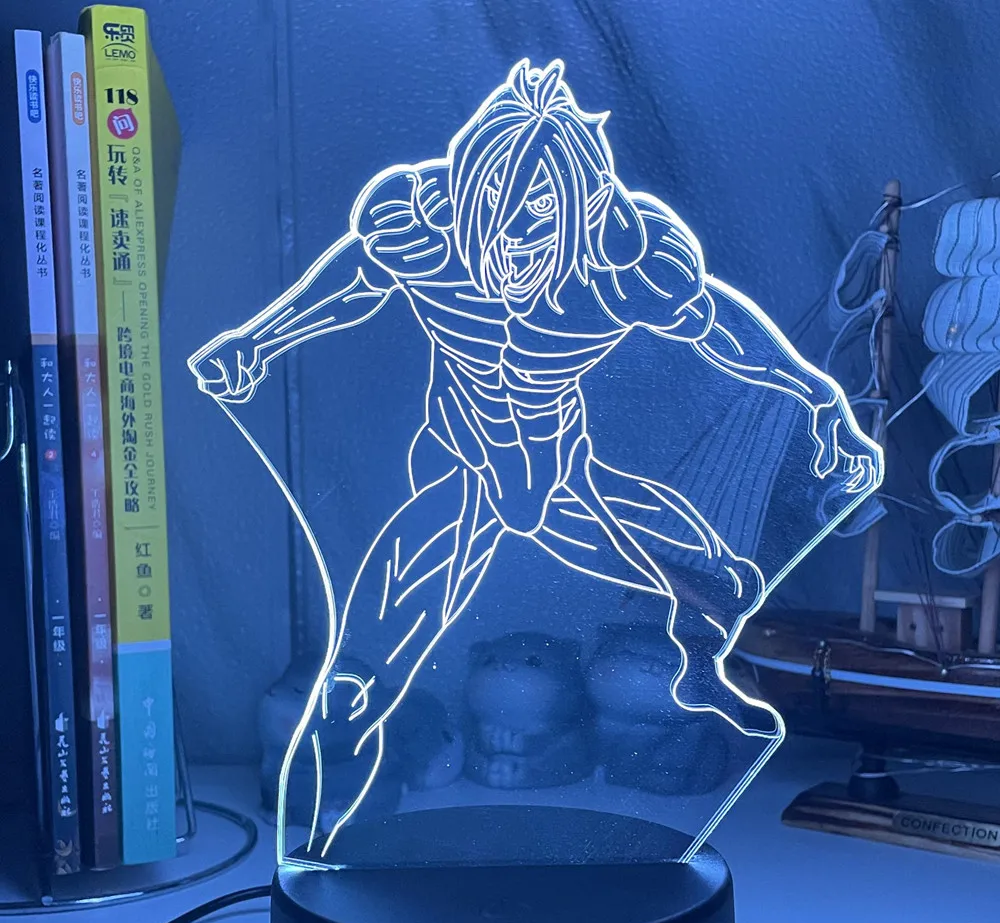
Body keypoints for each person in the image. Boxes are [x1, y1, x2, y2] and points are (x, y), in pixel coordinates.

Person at [189, 59, 879, 861]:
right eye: (498, 203)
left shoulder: (623, 267)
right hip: (460, 462)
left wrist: (819, 402)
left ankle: (698, 707)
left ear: (580, 206)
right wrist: (257, 340)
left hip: (561, 473)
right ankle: (338, 816)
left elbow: (724, 331)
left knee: (717, 586)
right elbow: (352, 282)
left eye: (543, 211)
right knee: (365, 665)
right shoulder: (423, 232)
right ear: (470, 194)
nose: (516, 234)